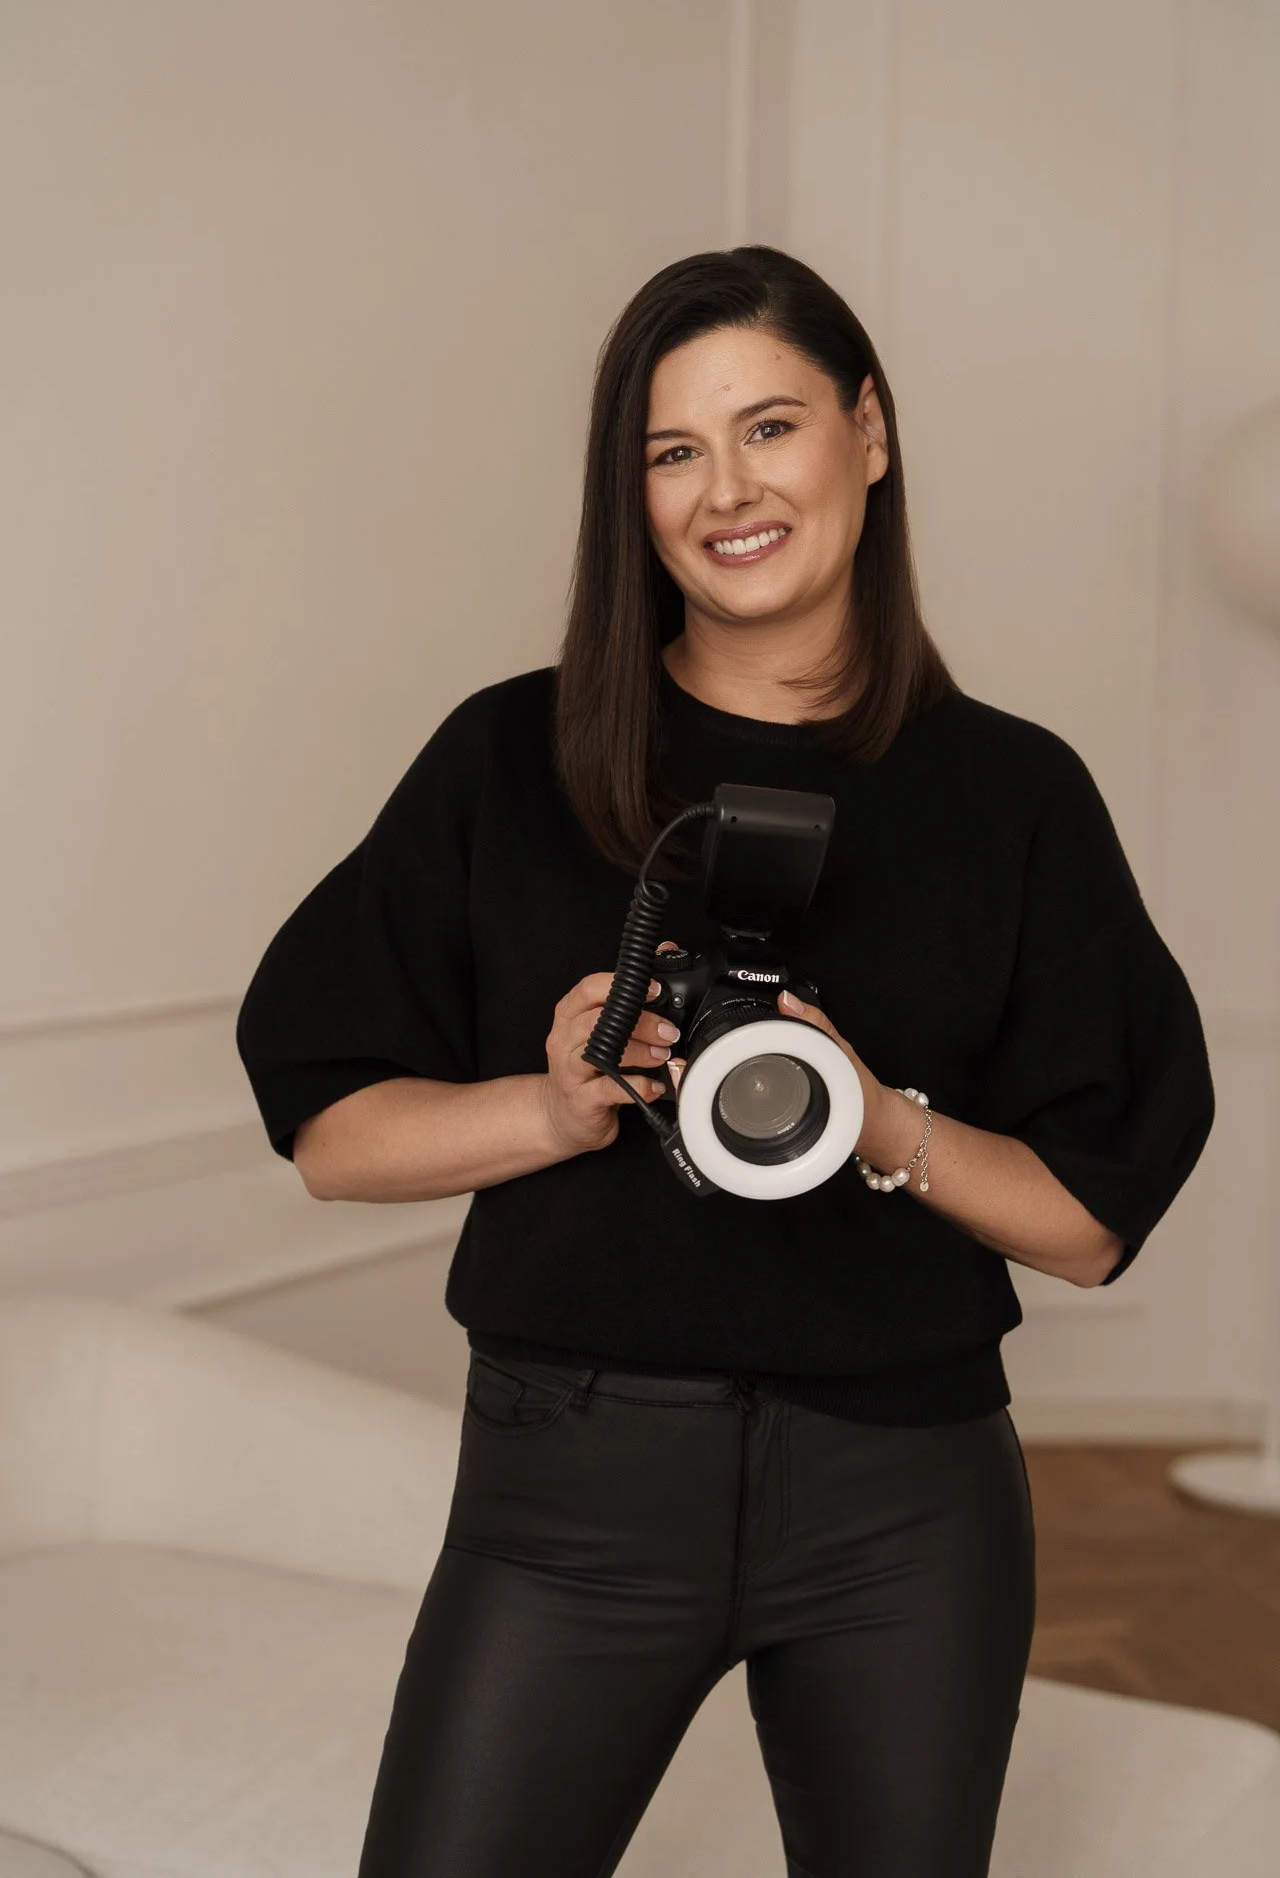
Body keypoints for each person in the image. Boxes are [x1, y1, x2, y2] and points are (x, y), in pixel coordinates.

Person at [235, 246, 1216, 1878]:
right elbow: (329, 1132)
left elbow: (1087, 1226)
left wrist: (880, 1116)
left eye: (770, 427)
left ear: (870, 432)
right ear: (631, 494)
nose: (727, 490)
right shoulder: (510, 755)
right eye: (672, 450)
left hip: (906, 1506)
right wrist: (554, 1109)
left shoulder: (1014, 796)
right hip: (572, 1494)